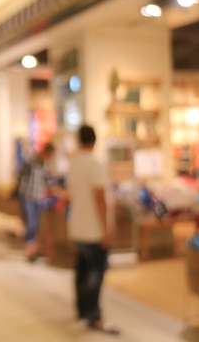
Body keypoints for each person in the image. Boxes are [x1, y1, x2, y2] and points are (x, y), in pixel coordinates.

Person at [66, 125, 119, 335]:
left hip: (78, 224)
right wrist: (106, 229)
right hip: (94, 228)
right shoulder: (95, 164)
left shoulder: (74, 164)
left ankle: (81, 309)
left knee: (81, 269)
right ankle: (93, 314)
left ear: (79, 141)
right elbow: (100, 197)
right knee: (95, 272)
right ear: (95, 141)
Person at [16, 142, 58, 262]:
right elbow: (20, 177)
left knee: (36, 225)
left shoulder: (45, 166)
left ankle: (32, 249)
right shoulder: (29, 161)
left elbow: (50, 182)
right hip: (27, 196)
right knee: (31, 223)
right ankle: (29, 251)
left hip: (39, 198)